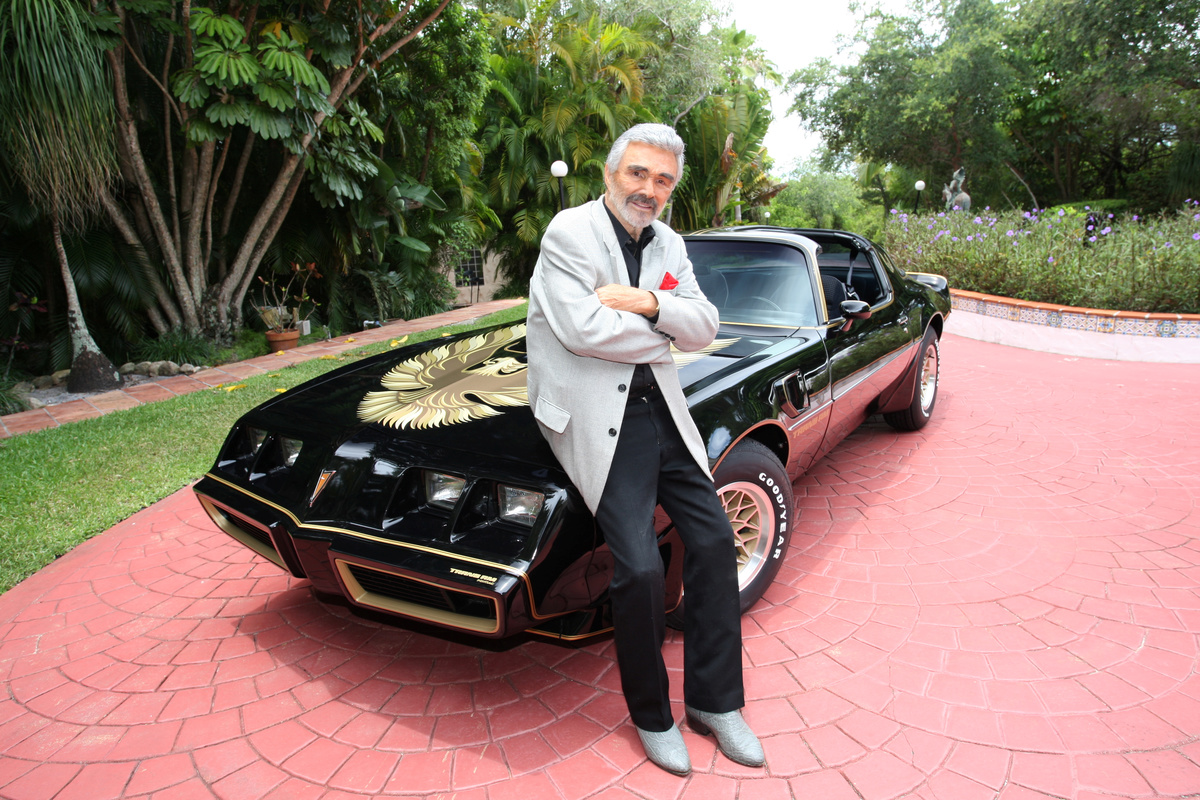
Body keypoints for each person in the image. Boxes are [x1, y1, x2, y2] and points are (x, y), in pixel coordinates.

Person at [526, 123, 764, 776]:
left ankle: (716, 703)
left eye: (662, 180)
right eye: (638, 173)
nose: (648, 189)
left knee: (714, 539)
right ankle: (653, 716)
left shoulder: (669, 244)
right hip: (595, 413)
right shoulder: (569, 234)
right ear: (610, 174)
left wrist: (647, 301)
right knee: (640, 568)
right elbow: (584, 332)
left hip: (660, 408)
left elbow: (706, 325)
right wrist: (668, 327)